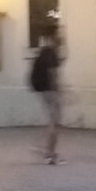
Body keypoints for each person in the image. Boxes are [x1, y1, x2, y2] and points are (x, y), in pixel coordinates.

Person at [30, 25, 63, 164]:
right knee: (55, 122)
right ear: (53, 36)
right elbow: (52, 73)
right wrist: (57, 89)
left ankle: (45, 149)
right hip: (50, 90)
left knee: (52, 121)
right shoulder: (51, 53)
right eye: (58, 33)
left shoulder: (43, 52)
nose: (61, 36)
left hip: (43, 89)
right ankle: (50, 154)